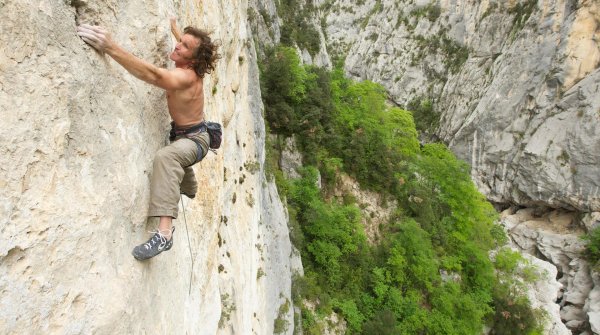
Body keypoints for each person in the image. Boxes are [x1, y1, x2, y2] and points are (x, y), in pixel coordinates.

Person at [77, 19, 220, 260]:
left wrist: (110, 46)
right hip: (188, 135)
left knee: (166, 157)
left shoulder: (185, 77)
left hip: (196, 141)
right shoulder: (195, 63)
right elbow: (186, 46)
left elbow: (152, 74)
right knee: (176, 154)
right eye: (180, 42)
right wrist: (178, 33)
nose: (177, 47)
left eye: (183, 46)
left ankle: (164, 234)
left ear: (193, 60)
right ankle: (188, 183)